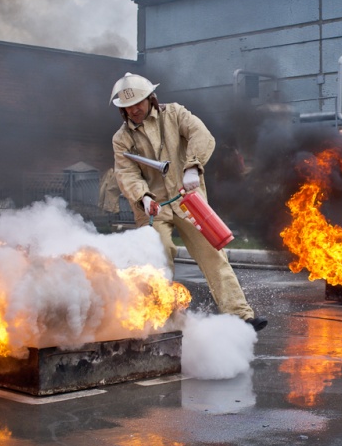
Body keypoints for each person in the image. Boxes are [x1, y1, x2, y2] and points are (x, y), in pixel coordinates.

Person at [110, 73, 268, 332]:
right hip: (153, 208)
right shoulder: (121, 138)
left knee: (213, 254)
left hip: (188, 200)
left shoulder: (175, 114)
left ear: (151, 98)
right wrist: (143, 196)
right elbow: (126, 173)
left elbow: (201, 135)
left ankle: (240, 316)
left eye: (138, 102)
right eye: (128, 106)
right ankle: (161, 322)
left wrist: (192, 166)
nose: (134, 109)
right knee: (158, 258)